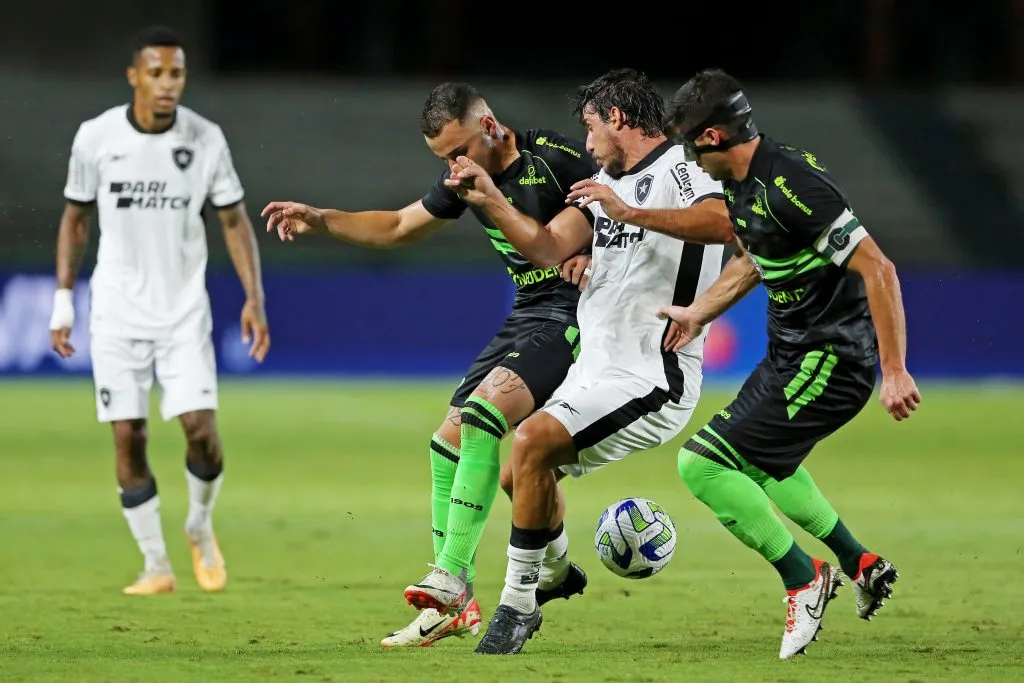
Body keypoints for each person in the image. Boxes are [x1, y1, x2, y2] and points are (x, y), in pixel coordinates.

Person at [261, 82, 599, 647]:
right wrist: (322, 218)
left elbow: (588, 228)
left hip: (579, 312)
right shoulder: (464, 178)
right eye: (443, 157)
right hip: (529, 313)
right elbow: (397, 225)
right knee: (446, 439)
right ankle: (462, 597)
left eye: (458, 150)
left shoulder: (558, 159)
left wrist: (592, 248)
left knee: (486, 415)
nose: (453, 165)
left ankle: (451, 578)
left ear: (489, 126)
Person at [442, 68, 734, 655]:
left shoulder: (680, 169)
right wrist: (495, 200)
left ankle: (517, 605)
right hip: (597, 368)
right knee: (518, 474)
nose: (588, 140)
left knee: (527, 444)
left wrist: (628, 215)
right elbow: (548, 247)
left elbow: (726, 223)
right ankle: (553, 572)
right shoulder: (604, 179)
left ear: (618, 119)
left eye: (592, 126)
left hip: (652, 372)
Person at [658, 68, 921, 659]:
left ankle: (805, 578)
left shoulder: (793, 186)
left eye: (690, 145)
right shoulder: (740, 184)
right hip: (790, 353)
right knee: (763, 465)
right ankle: (861, 562)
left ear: (716, 137)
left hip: (831, 359)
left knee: (702, 466)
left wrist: (895, 368)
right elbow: (752, 261)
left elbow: (878, 269)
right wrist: (701, 311)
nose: (689, 158)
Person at [49, 26, 270, 596]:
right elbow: (75, 221)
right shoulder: (96, 138)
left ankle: (199, 524)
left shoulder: (206, 139)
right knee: (130, 437)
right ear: (134, 76)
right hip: (117, 314)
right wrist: (61, 301)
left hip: (182, 315)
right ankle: (156, 564)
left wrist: (254, 298)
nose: (168, 83)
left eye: (176, 73)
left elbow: (232, 221)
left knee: (201, 433)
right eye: (156, 73)